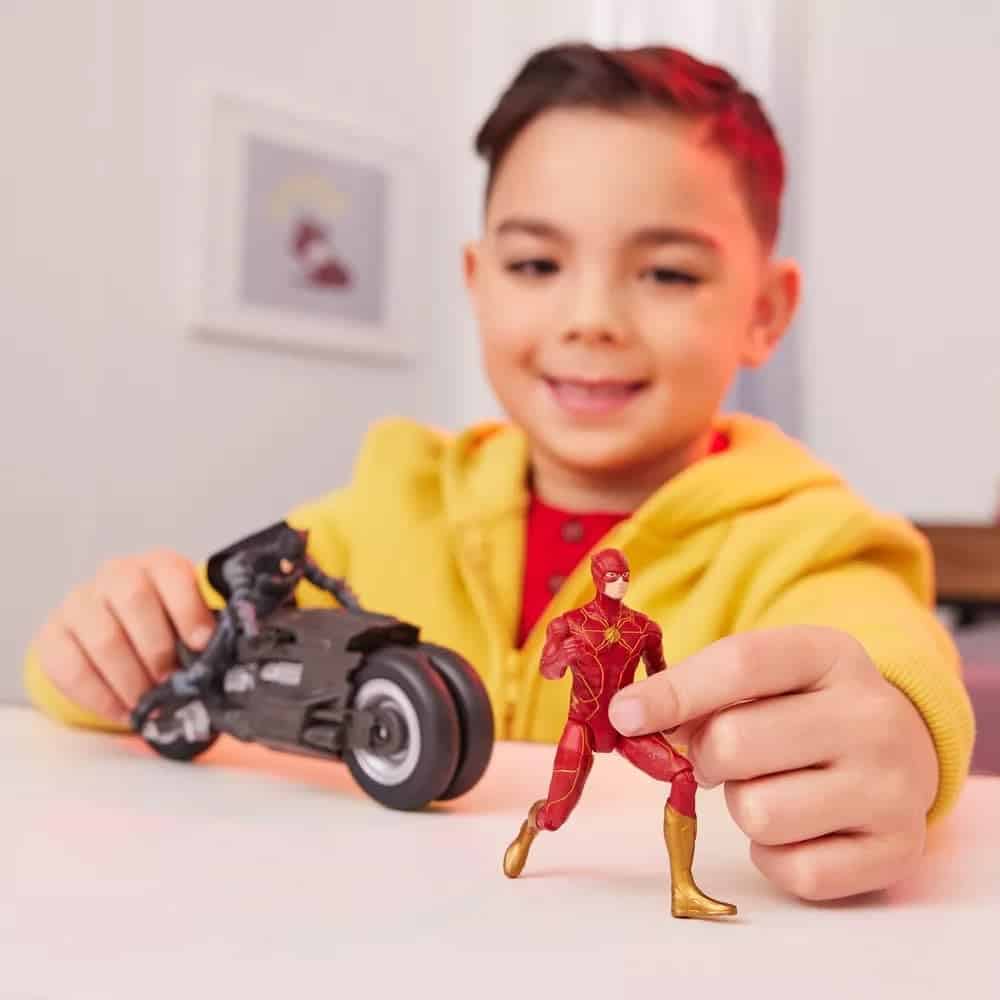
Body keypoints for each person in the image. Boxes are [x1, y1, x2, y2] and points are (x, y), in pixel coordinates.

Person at [23, 42, 974, 903]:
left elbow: (886, 653)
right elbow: (178, 659)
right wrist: (108, 646)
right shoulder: (385, 503)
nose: (590, 319)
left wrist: (902, 731)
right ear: (476, 285)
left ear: (763, 311)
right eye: (535, 265)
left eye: (668, 274)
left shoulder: (804, 538)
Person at [503, 547, 736, 919]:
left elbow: (659, 676)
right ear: (597, 577)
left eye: (625, 576)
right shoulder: (568, 624)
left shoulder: (643, 628)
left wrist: (672, 714)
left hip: (624, 725)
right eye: (612, 576)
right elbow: (548, 670)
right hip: (582, 725)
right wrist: (562, 656)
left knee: (683, 775)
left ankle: (683, 890)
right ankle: (531, 828)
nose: (620, 583)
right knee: (556, 816)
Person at [130, 521, 359, 741]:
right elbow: (241, 599)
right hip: (241, 619)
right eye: (286, 563)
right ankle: (156, 700)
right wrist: (251, 630)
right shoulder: (246, 563)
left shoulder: (300, 561)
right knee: (204, 672)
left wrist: (354, 608)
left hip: (279, 616)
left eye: (293, 562)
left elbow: (328, 583)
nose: (289, 568)